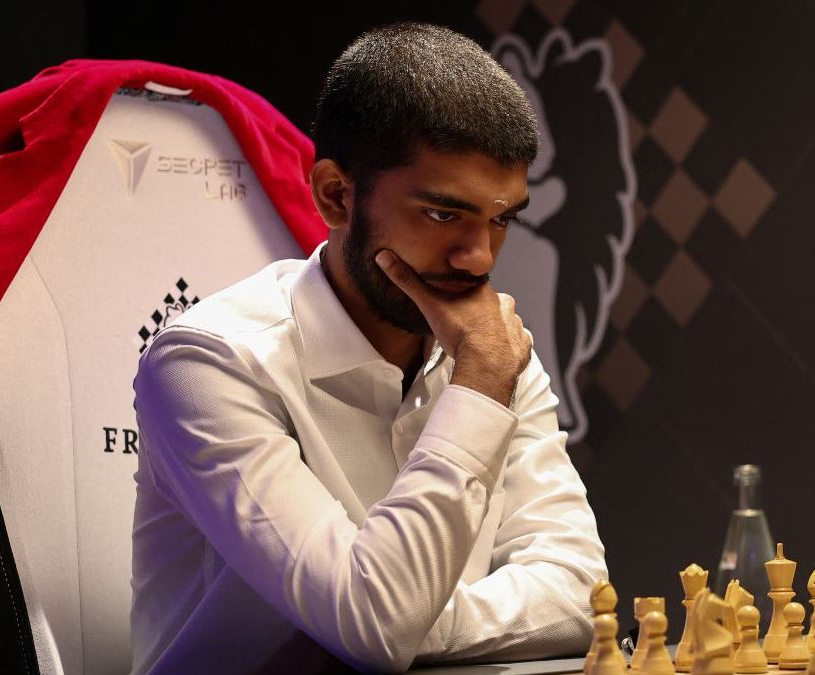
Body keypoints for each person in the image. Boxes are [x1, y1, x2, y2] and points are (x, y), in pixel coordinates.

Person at [129, 22, 608, 674]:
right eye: (442, 214)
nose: (478, 257)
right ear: (336, 195)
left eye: (500, 219)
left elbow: (582, 597)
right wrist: (479, 386)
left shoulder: (492, 354)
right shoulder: (208, 364)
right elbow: (376, 626)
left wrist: (404, 621)